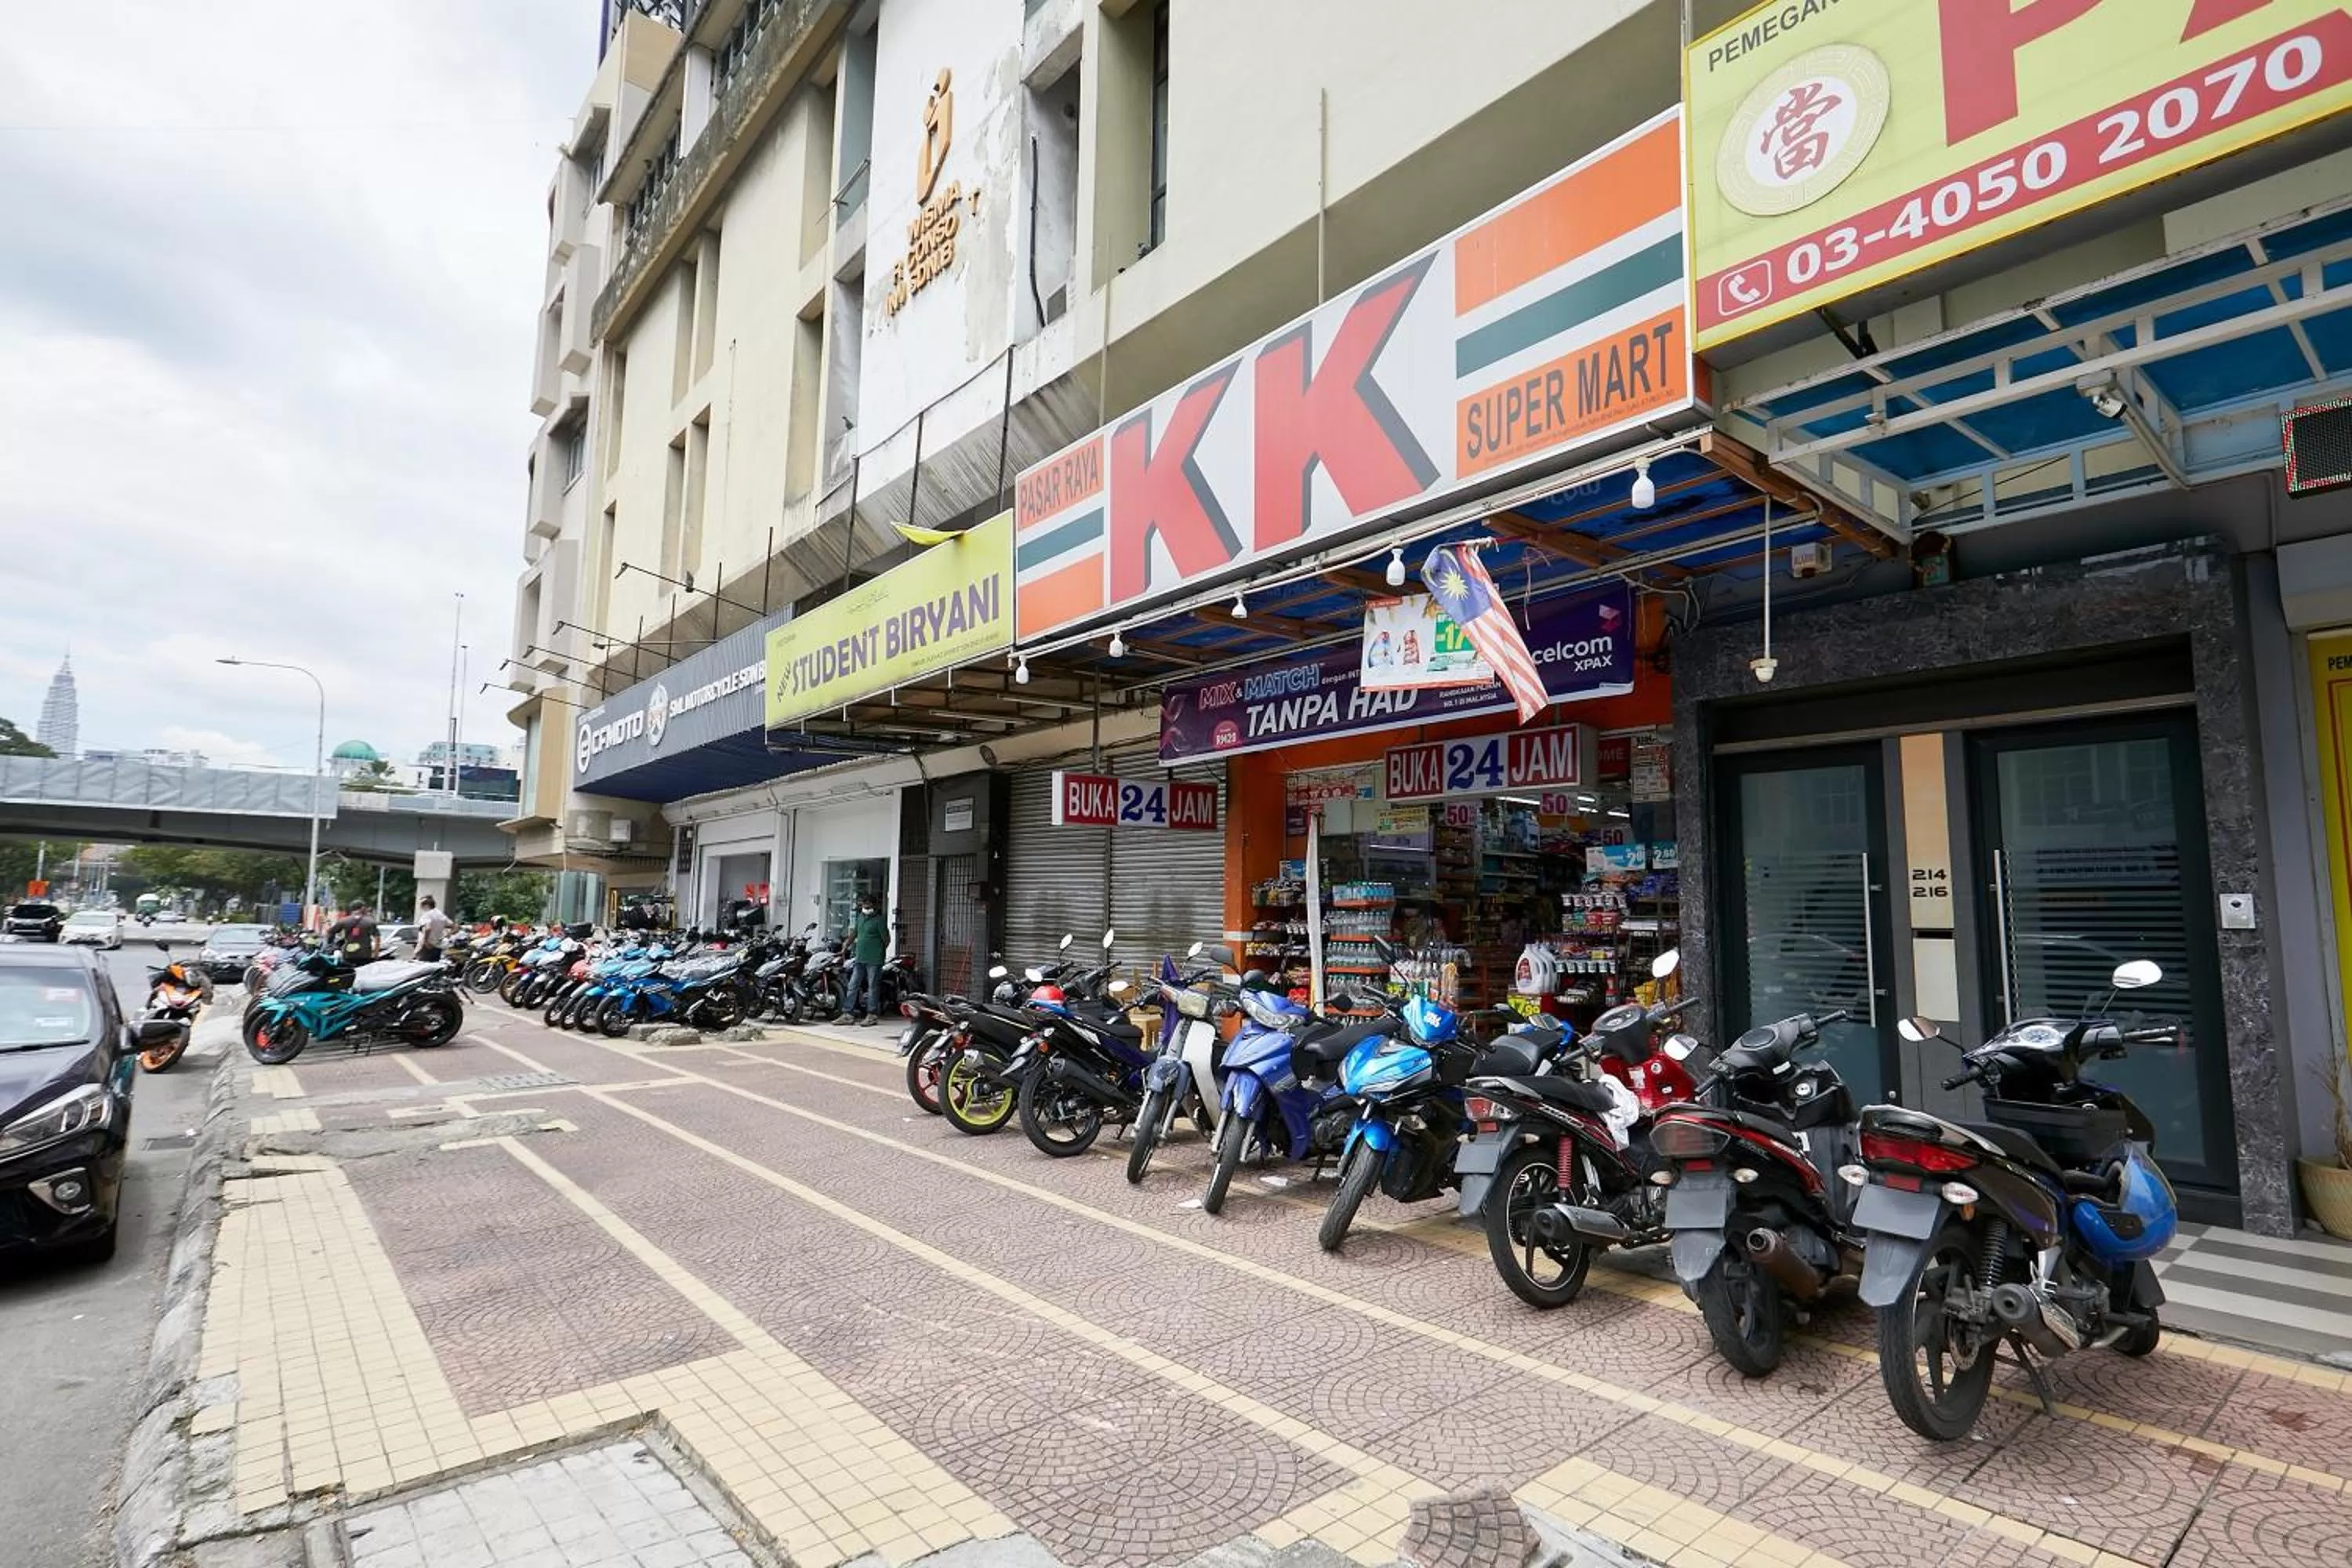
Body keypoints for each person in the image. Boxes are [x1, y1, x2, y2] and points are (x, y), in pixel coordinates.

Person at [843, 894, 890, 1025]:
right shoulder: (860, 917)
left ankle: (872, 1015)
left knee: (872, 987)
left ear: (874, 906)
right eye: (864, 904)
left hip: (874, 960)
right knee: (853, 985)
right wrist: (846, 944)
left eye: (868, 904)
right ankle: (847, 1013)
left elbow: (886, 940)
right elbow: (854, 933)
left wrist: (878, 951)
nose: (865, 907)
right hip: (860, 958)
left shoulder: (879, 920)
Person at [325, 904, 380, 968]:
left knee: (349, 972)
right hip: (365, 954)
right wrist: (376, 954)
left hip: (348, 954)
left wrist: (331, 944)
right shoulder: (370, 921)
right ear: (362, 908)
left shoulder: (343, 921)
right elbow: (377, 938)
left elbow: (331, 932)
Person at [415, 895, 452, 963]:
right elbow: (455, 927)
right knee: (434, 966)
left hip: (427, 947)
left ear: (426, 905)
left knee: (423, 968)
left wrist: (426, 941)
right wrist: (446, 936)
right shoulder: (440, 914)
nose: (420, 907)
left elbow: (428, 928)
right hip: (438, 946)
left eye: (421, 905)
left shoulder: (427, 915)